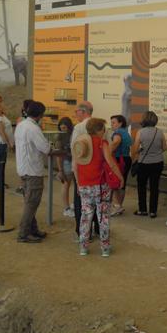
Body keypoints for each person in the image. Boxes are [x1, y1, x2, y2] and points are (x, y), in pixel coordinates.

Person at [72, 117, 124, 257]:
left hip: (84, 184)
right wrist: (120, 177)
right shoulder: (102, 143)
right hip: (101, 186)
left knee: (85, 215)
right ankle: (105, 248)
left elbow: (75, 166)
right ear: (99, 130)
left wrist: (78, 183)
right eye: (103, 129)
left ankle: (83, 247)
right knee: (103, 216)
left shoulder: (80, 142)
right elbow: (111, 163)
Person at [14, 101, 52, 243]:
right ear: (40, 115)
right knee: (32, 203)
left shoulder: (21, 125)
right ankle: (23, 233)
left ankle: (33, 229)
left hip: (23, 169)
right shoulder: (33, 128)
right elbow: (45, 148)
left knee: (30, 201)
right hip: (33, 171)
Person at [130, 110, 167, 217]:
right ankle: (153, 211)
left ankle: (142, 209)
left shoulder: (140, 132)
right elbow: (164, 147)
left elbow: (135, 149)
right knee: (154, 187)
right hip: (157, 163)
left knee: (141, 186)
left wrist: (142, 150)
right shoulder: (159, 132)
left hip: (144, 163)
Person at [70, 102, 94, 239]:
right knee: (95, 199)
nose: (75, 113)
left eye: (76, 111)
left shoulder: (79, 127)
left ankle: (83, 231)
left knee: (80, 199)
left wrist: (75, 169)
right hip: (96, 168)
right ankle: (95, 228)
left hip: (82, 167)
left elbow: (74, 149)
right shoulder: (100, 125)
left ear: (83, 112)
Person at [109, 114, 133, 216]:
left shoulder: (118, 132)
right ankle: (119, 205)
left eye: (114, 123)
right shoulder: (126, 133)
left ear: (120, 123)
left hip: (119, 159)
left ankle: (117, 205)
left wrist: (107, 151)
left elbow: (116, 142)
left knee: (114, 182)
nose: (112, 125)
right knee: (122, 183)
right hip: (127, 158)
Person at [0, 101, 15, 187]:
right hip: (1, 142)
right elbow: (2, 132)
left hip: (2, 143)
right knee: (1, 163)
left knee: (1, 162)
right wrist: (8, 143)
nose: (2, 106)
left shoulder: (2, 116)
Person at [55, 117, 75, 217]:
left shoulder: (74, 133)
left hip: (75, 161)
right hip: (66, 161)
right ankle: (66, 207)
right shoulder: (59, 137)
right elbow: (58, 155)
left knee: (78, 184)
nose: (63, 130)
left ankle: (75, 204)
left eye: (65, 128)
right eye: (61, 128)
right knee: (66, 184)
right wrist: (60, 170)